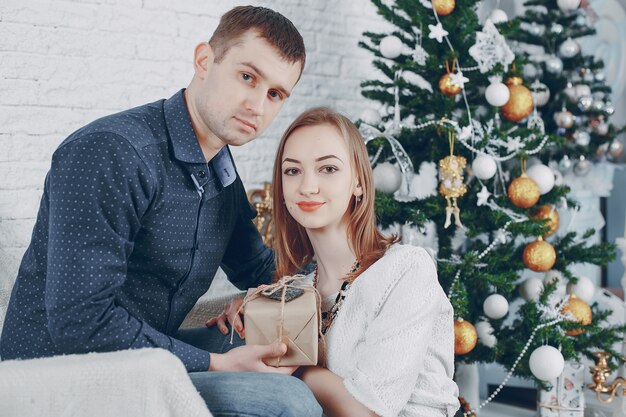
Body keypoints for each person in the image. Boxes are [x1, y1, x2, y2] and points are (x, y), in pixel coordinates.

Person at [1, 6, 321, 417]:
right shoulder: (112, 152)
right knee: (288, 401)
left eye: (275, 94)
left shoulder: (219, 168)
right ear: (204, 60)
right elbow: (81, 323)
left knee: (284, 353)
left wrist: (331, 271)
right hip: (60, 373)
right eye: (247, 77)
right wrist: (216, 363)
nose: (257, 105)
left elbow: (262, 270)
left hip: (147, 354)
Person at [272, 107, 459, 416]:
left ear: (358, 181)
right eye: (292, 170)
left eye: (328, 169)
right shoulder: (299, 290)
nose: (307, 186)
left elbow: (369, 411)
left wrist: (297, 368)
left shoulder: (406, 269)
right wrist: (247, 312)